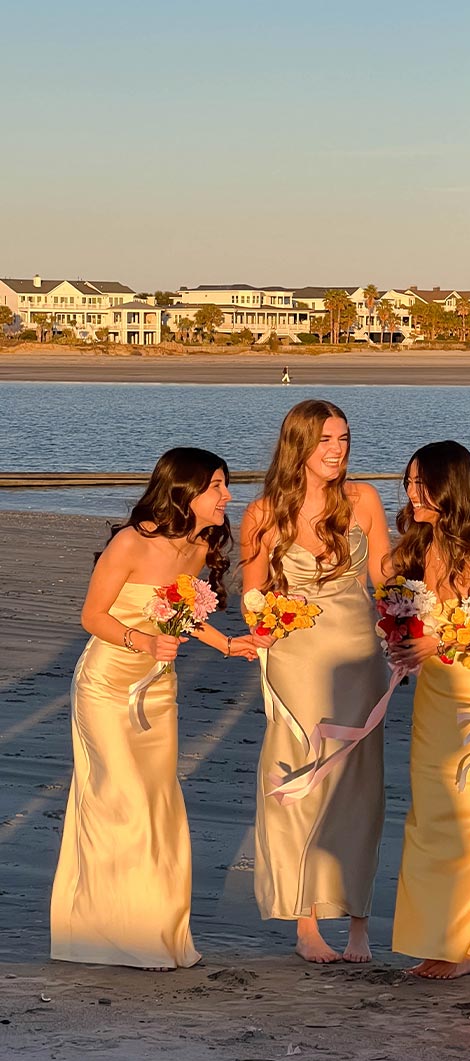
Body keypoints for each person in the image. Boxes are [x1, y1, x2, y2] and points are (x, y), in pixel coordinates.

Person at [50, 448, 258, 970]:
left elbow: (181, 611)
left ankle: (151, 932)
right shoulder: (132, 541)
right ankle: (105, 934)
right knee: (120, 800)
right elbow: (92, 617)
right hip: (105, 686)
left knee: (158, 805)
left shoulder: (200, 543)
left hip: (158, 691)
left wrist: (226, 645)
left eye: (225, 485)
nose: (227, 496)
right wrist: (141, 642)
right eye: (216, 486)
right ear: (185, 491)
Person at [240, 400, 391, 964]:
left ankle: (357, 918)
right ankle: (305, 919)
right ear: (298, 445)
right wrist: (275, 616)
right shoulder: (262, 513)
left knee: (358, 783)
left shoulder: (364, 500)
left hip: (358, 657)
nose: (337, 450)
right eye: (326, 439)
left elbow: (383, 577)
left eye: (344, 438)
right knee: (299, 775)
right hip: (296, 659)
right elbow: (253, 599)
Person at [389, 441, 470, 980]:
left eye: (423, 484)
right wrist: (397, 630)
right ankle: (432, 938)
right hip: (435, 699)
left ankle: (463, 948)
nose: (413, 493)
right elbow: (392, 589)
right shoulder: (417, 550)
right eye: (411, 483)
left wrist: (433, 643)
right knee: (429, 818)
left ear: (451, 489)